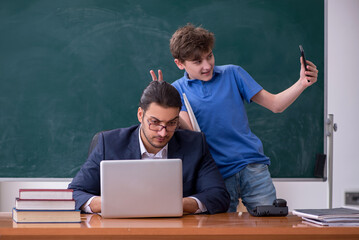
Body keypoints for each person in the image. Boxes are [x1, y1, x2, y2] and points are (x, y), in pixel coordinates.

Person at [150, 23, 318, 214]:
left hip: (252, 168)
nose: (207, 66)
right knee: (221, 232)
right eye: (197, 62)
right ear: (180, 63)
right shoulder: (177, 90)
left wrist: (302, 83)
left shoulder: (233, 73)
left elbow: (276, 105)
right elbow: (191, 132)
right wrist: (164, 104)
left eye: (209, 56)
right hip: (214, 176)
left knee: (271, 229)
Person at [68, 80, 230, 214]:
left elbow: (218, 196)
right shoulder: (109, 143)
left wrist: (175, 204)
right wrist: (109, 203)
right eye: (155, 122)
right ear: (140, 115)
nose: (162, 132)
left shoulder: (195, 144)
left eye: (171, 123)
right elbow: (74, 194)